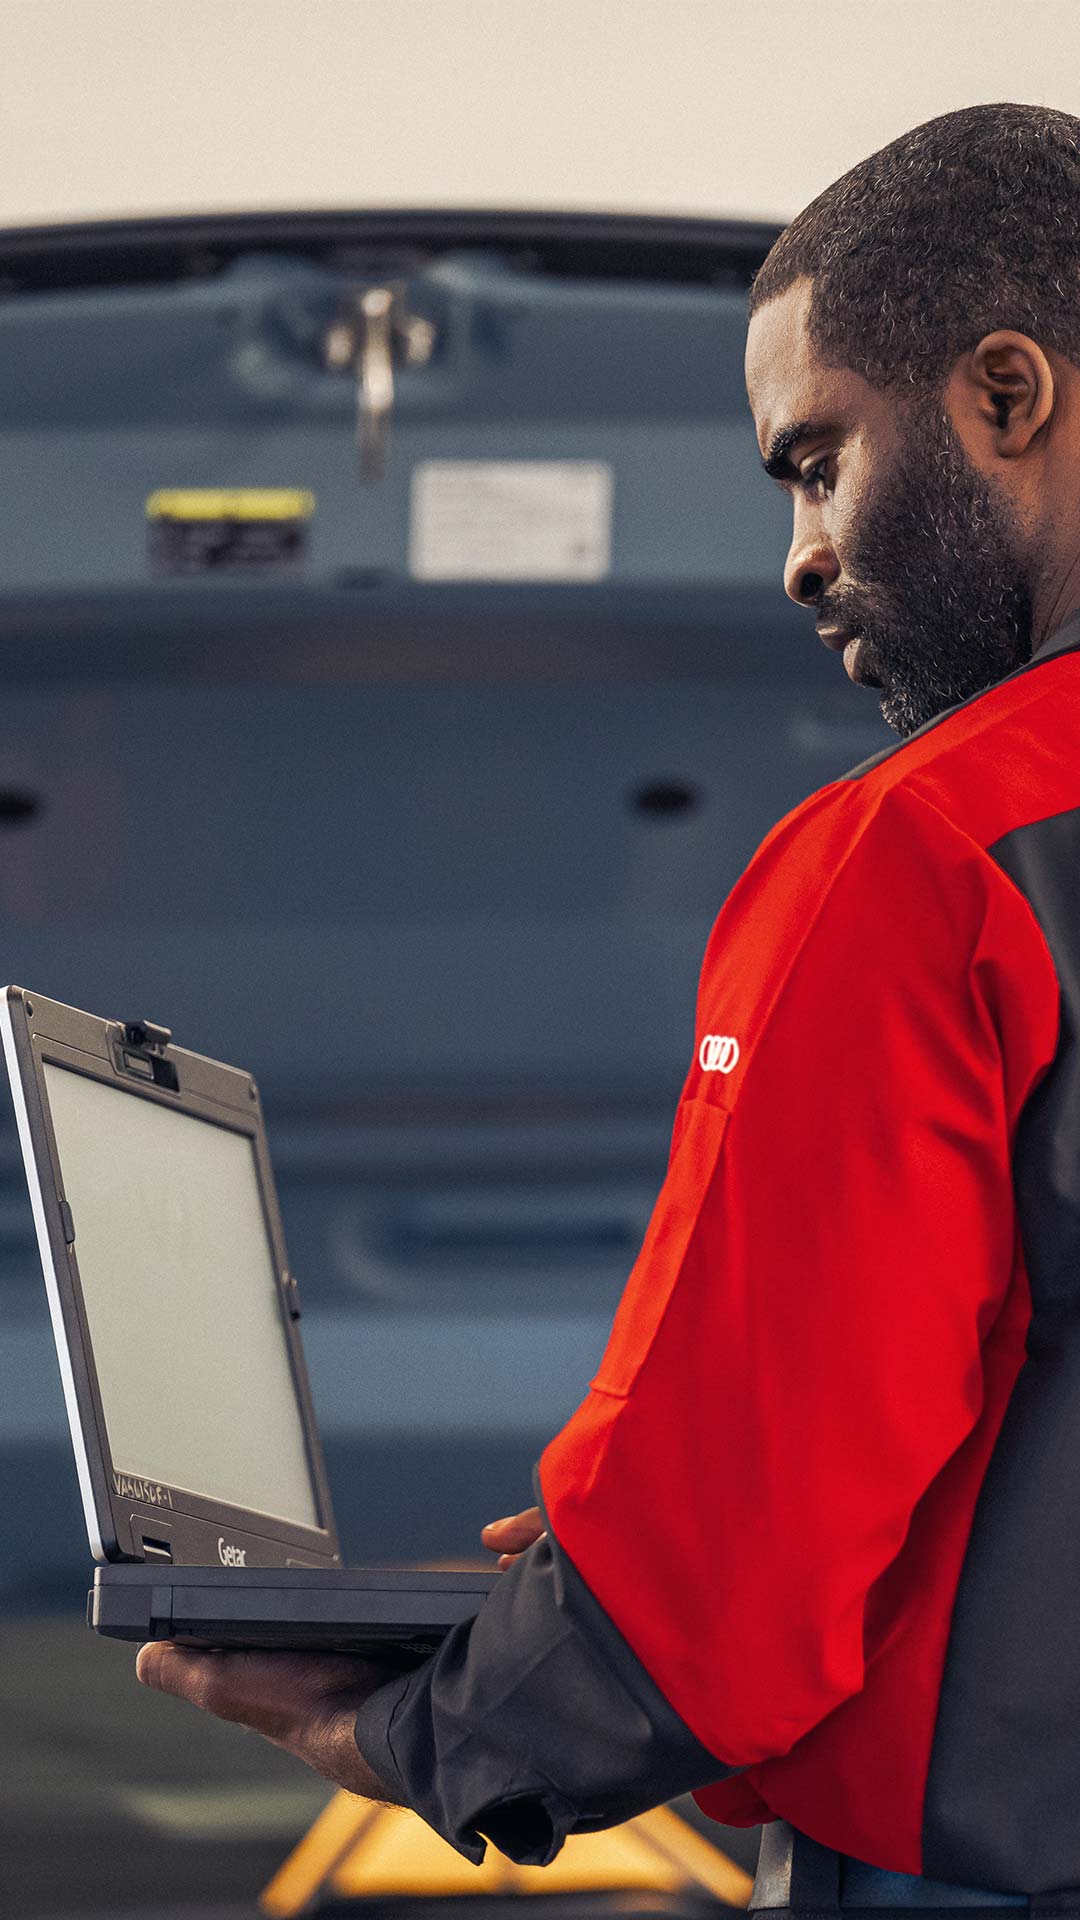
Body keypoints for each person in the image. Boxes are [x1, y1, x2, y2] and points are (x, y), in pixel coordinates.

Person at [137, 101, 1080, 1910]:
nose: (802, 554)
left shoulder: (928, 855)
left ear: (1007, 394)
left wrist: (428, 1729)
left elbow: (731, 1541)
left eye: (818, 462)